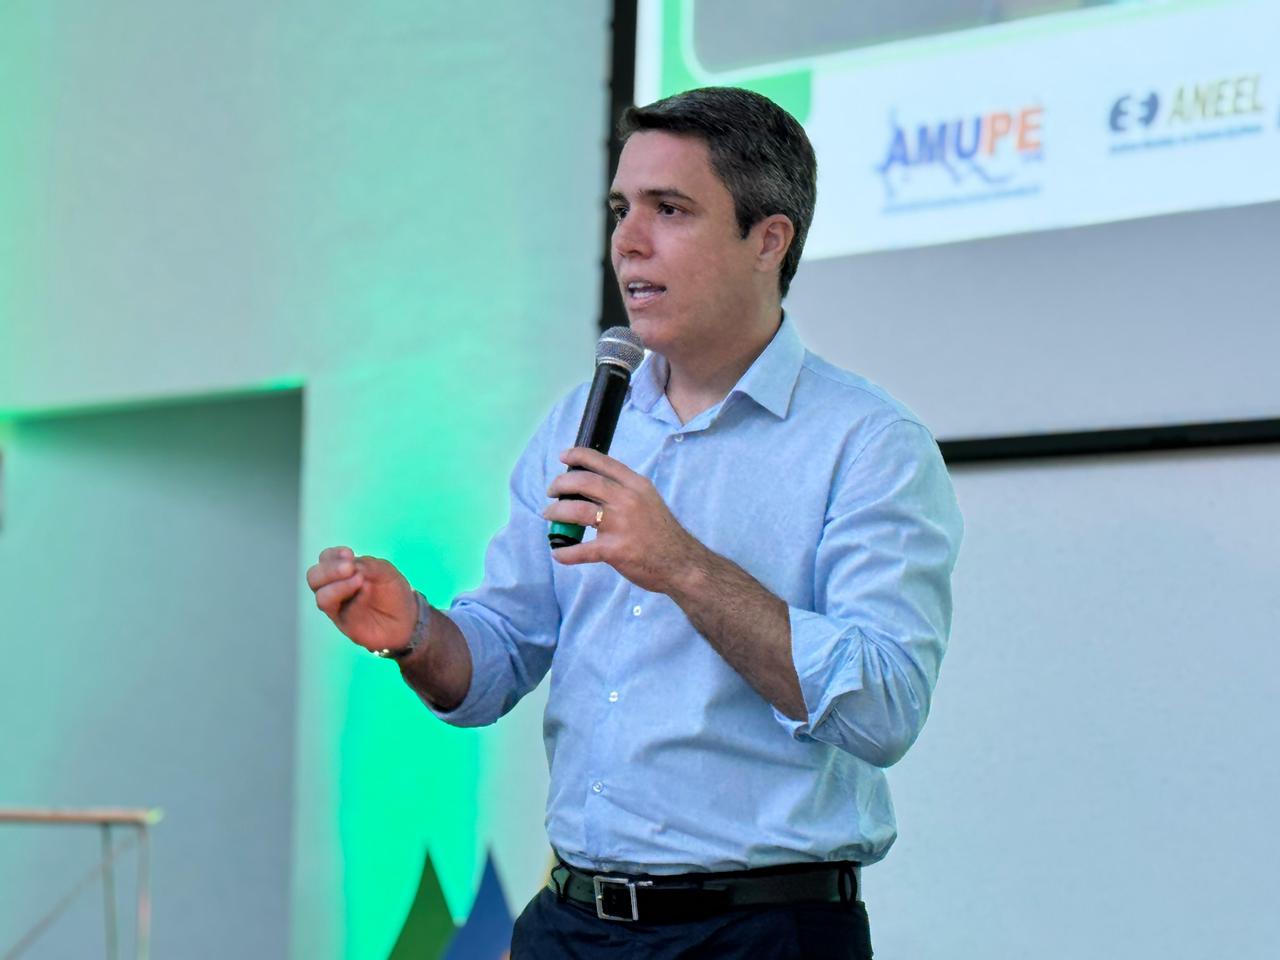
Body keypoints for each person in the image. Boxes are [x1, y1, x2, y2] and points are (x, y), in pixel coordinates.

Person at [306, 86, 963, 959]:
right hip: (573, 922)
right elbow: (498, 659)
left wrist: (682, 565)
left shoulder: (868, 443)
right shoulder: (581, 421)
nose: (628, 240)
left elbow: (884, 708)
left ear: (769, 240)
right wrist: (418, 635)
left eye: (670, 209)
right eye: (621, 209)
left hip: (761, 933)